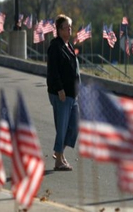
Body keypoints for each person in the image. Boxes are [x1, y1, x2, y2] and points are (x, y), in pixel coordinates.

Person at [46, 14, 80, 171]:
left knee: (73, 127)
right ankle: (59, 160)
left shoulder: (69, 46)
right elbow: (53, 71)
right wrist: (60, 89)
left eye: (70, 26)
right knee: (63, 127)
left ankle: (59, 152)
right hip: (62, 94)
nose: (70, 29)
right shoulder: (55, 47)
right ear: (59, 30)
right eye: (67, 27)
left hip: (73, 95)